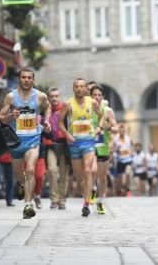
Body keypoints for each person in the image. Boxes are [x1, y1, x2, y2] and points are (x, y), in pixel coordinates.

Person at [0, 68, 51, 220]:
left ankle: (28, 205)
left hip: (33, 139)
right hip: (16, 141)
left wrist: (46, 120)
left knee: (30, 170)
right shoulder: (11, 97)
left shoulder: (40, 96)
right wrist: (10, 115)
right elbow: (0, 118)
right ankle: (22, 186)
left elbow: (48, 106)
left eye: (29, 78)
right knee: (19, 175)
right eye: (23, 77)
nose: (26, 80)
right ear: (19, 79)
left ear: (33, 79)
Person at [58, 78, 98, 216]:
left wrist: (98, 129)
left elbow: (102, 116)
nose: (79, 89)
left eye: (82, 86)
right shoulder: (68, 104)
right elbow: (60, 122)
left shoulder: (92, 102)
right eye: (77, 86)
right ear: (73, 88)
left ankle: (86, 204)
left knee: (88, 170)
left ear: (85, 89)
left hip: (88, 141)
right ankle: (86, 196)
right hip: (74, 143)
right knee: (80, 177)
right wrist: (67, 134)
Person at [90, 84, 117, 214]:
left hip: (103, 146)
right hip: (89, 145)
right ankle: (93, 188)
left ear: (103, 97)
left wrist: (108, 127)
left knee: (102, 176)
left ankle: (100, 201)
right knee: (91, 171)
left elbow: (116, 128)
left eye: (99, 95)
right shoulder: (87, 109)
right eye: (94, 95)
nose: (97, 97)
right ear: (90, 97)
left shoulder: (107, 111)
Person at [46, 88, 69, 210]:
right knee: (52, 170)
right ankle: (54, 198)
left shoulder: (66, 110)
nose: (54, 98)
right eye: (51, 96)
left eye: (56, 96)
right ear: (48, 98)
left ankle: (62, 200)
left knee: (64, 174)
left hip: (64, 145)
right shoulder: (47, 111)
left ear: (59, 97)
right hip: (51, 144)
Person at [112, 124, 133, 197]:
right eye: (120, 131)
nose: (121, 132)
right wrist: (116, 149)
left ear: (124, 131)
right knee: (120, 180)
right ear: (118, 131)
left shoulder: (128, 138)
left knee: (126, 175)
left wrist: (131, 153)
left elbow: (132, 148)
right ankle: (123, 191)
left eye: (123, 131)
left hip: (128, 160)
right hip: (120, 161)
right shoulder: (115, 139)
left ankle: (128, 189)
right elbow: (113, 150)